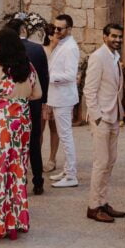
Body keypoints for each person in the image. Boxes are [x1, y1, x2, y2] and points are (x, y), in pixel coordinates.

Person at [0, 27, 42, 238]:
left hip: (0, 123)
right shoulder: (28, 67)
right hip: (22, 120)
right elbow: (37, 94)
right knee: (17, 169)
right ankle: (15, 222)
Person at [83, 23, 125, 223]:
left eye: (119, 37)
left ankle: (103, 201)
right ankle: (93, 206)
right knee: (101, 163)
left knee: (110, 161)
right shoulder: (98, 57)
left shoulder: (115, 57)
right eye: (114, 36)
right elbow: (89, 90)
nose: (117, 40)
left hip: (114, 115)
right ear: (104, 36)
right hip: (102, 118)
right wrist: (97, 116)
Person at [5, 16, 49, 196]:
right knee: (34, 141)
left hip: (12, 103)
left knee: (13, 142)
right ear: (23, 30)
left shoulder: (5, 52)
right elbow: (44, 77)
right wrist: (44, 101)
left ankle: (15, 180)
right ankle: (38, 180)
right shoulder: (37, 49)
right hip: (34, 101)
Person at [46, 13, 80, 188]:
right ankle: (67, 170)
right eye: (55, 28)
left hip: (64, 97)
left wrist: (49, 77)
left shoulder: (71, 48)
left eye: (60, 28)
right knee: (64, 134)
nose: (56, 31)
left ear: (69, 29)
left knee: (66, 136)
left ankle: (72, 174)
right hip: (58, 96)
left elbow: (70, 75)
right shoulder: (61, 44)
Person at [41, 23, 61, 173]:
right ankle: (37, 158)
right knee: (39, 129)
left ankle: (52, 158)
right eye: (56, 34)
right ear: (49, 36)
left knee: (55, 129)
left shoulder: (62, 51)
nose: (58, 36)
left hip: (56, 94)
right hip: (43, 94)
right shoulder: (41, 51)